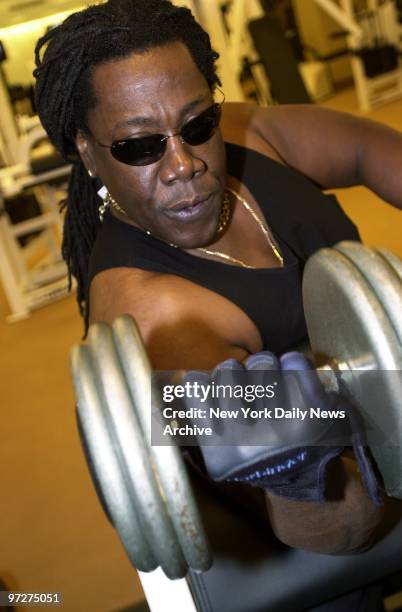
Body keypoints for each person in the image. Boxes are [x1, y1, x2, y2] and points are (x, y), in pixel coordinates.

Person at [33, 0, 402, 608]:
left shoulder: (243, 132)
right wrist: (297, 477)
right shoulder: (153, 319)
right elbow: (342, 527)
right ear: (87, 149)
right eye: (139, 147)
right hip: (325, 546)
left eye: (197, 123)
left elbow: (368, 149)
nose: (185, 163)